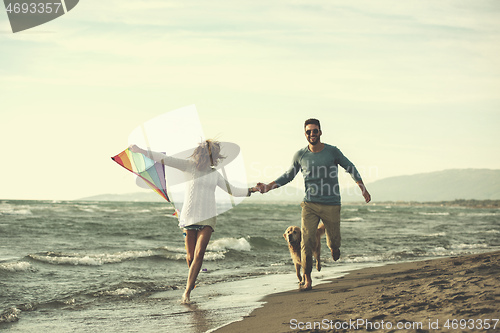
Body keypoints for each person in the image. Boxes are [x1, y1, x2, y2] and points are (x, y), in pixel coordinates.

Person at [130, 140, 258, 304]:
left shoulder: (214, 174)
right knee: (190, 257)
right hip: (189, 215)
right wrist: (141, 150)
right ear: (204, 154)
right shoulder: (188, 166)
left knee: (199, 254)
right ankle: (193, 280)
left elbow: (232, 190)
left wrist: (252, 189)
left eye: (216, 157)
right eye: (213, 155)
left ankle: (187, 292)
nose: (215, 159)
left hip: (208, 217)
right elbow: (165, 159)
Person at [257, 118, 371, 290]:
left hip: (331, 203)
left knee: (334, 242)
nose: (312, 134)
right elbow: (287, 176)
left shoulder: (332, 152)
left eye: (315, 131)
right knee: (307, 241)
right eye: (308, 131)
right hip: (309, 204)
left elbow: (350, 167)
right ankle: (307, 278)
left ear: (320, 132)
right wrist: (267, 187)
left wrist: (362, 188)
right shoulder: (300, 155)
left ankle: (334, 248)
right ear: (305, 134)